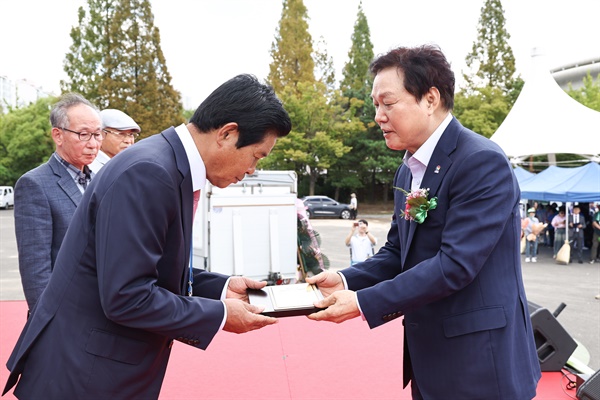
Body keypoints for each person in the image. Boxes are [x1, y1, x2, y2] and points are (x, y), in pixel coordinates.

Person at [3, 74, 291, 399]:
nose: (253, 169)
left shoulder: (166, 163)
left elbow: (147, 264)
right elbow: (127, 296)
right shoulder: (151, 172)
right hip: (84, 376)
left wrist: (223, 287)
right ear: (227, 133)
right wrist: (221, 314)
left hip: (97, 367)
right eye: (257, 156)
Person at [306, 45, 541, 399]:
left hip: (480, 363)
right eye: (375, 105)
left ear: (430, 99)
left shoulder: (480, 162)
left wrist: (362, 302)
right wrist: (342, 279)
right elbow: (397, 252)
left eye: (388, 103)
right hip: (430, 359)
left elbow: (454, 265)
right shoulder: (408, 167)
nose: (378, 116)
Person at [14, 93, 102, 312]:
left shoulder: (101, 178)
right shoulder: (34, 184)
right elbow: (36, 269)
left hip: (103, 310)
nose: (93, 144)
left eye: (98, 134)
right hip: (65, 314)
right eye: (83, 134)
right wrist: (47, 323)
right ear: (58, 135)